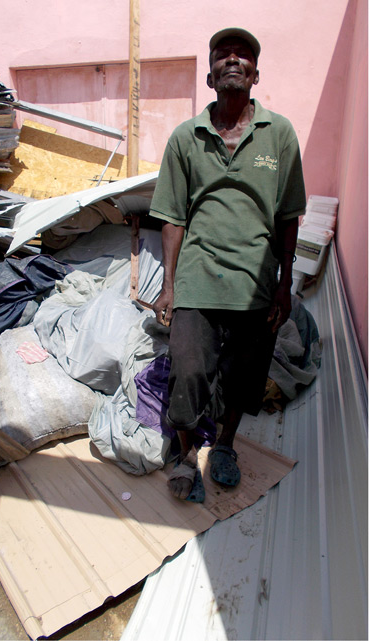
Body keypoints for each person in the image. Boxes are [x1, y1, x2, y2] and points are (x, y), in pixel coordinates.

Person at [150, 28, 305, 502]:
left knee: (244, 376)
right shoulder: (186, 137)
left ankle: (224, 446)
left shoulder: (278, 135)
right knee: (190, 371)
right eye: (223, 55)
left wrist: (284, 284)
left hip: (255, 283)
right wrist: (170, 286)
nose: (233, 60)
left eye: (244, 56)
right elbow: (173, 218)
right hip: (198, 278)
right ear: (210, 73)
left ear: (256, 74)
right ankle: (182, 452)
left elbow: (287, 216)